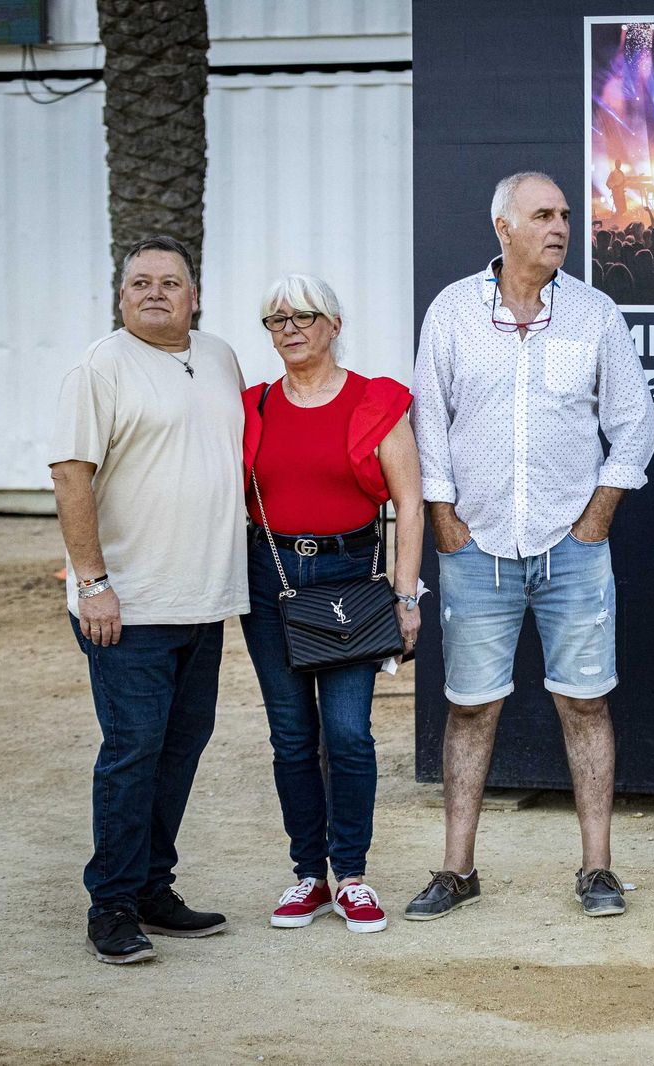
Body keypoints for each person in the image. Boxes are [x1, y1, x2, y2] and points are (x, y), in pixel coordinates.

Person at [409, 171, 654, 919]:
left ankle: (598, 869)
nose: (559, 227)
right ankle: (457, 870)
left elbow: (636, 424)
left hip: (572, 546)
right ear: (502, 228)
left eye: (565, 215)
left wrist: (599, 515)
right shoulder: (453, 310)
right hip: (474, 543)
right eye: (542, 214)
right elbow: (429, 424)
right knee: (470, 708)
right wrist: (445, 518)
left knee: (584, 704)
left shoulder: (594, 313)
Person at [49, 235, 245, 964]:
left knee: (180, 749)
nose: (155, 292)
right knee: (133, 750)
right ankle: (113, 905)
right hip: (127, 607)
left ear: (195, 295)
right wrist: (93, 582)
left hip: (203, 599)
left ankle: (154, 887)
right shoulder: (99, 368)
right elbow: (71, 477)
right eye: (140, 283)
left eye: (170, 282)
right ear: (121, 295)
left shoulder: (220, 356)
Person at [238, 274, 424, 935]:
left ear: (334, 325)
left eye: (303, 316)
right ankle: (307, 878)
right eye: (275, 320)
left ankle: (351, 875)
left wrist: (407, 595)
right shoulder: (252, 406)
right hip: (271, 578)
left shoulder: (375, 402)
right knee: (291, 737)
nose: (289, 328)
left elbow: (408, 502)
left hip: (351, 576)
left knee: (348, 734)